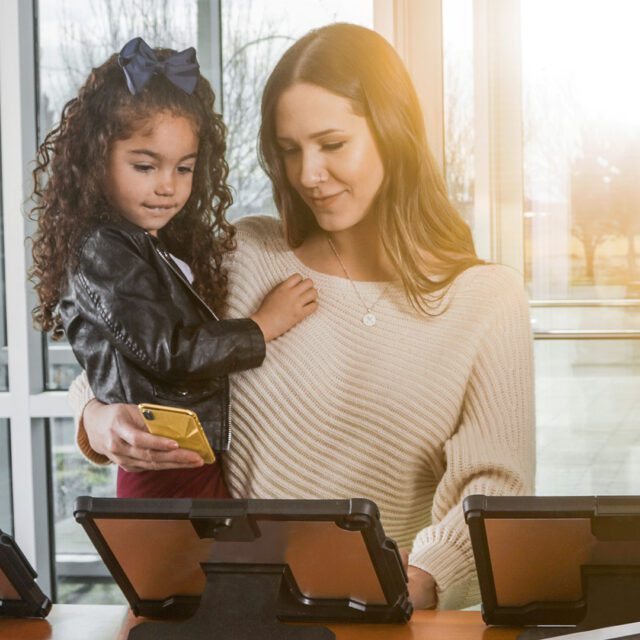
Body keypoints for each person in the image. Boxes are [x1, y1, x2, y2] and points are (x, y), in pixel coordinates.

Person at [68, 24, 535, 610]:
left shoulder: (487, 300)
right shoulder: (243, 254)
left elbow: (493, 486)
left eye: (333, 145)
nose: (307, 174)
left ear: (394, 134)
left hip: (378, 615)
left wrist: (421, 580)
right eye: (289, 151)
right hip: (227, 610)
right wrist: (96, 418)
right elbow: (131, 352)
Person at [29, 36, 317, 499]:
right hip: (162, 459)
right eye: (145, 167)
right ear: (95, 160)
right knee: (190, 572)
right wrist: (262, 326)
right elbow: (168, 351)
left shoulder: (153, 240)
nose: (168, 187)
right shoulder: (104, 247)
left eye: (184, 169)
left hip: (184, 450)